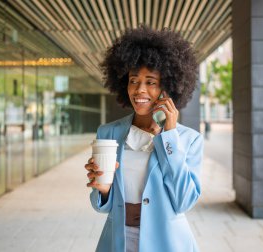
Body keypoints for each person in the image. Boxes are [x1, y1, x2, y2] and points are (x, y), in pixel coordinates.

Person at [85, 26, 203, 252]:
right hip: (117, 241)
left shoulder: (189, 140)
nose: (139, 90)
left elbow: (183, 202)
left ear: (167, 87)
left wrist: (169, 137)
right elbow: (102, 207)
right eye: (133, 80)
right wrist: (102, 189)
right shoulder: (108, 133)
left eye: (150, 82)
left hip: (168, 243)